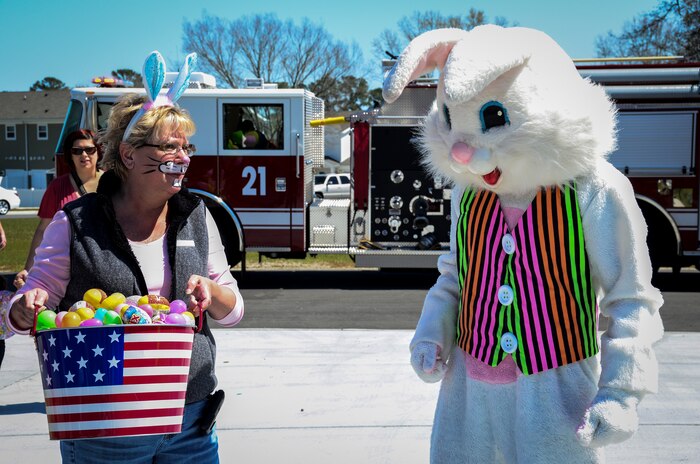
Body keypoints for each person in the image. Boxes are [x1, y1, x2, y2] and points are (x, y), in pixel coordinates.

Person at [5, 67, 244, 461]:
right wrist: (24, 308)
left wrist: (211, 291)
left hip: (191, 422)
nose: (182, 158)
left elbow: (233, 309)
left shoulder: (196, 215)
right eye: (169, 148)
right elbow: (35, 295)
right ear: (129, 154)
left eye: (186, 148)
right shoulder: (77, 222)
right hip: (105, 425)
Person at [13, 129, 103, 289]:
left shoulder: (111, 183)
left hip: (104, 263)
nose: (84, 155)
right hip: (66, 267)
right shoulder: (57, 186)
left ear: (98, 151)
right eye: (77, 151)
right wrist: (28, 269)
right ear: (70, 155)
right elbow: (43, 230)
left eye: (90, 149)